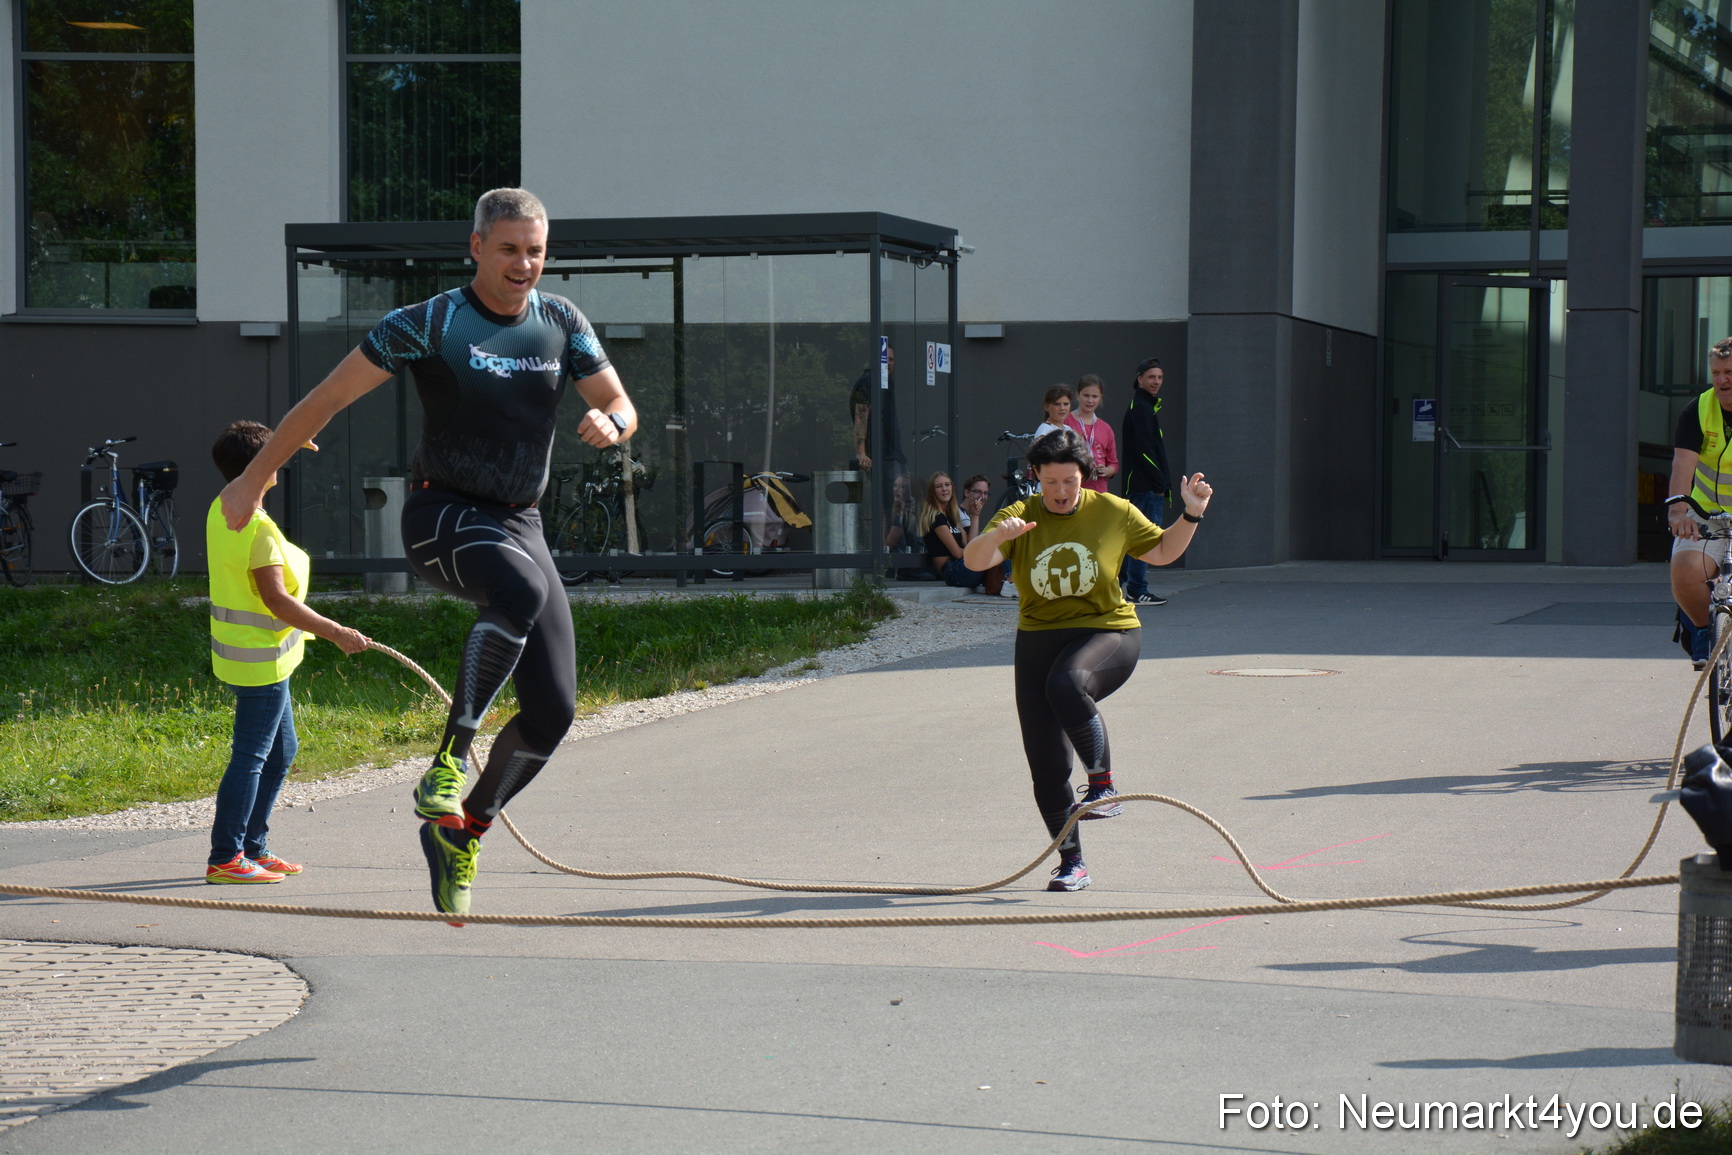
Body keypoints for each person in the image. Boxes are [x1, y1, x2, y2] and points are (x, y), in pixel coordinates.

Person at [217, 188, 637, 922]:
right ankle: (448, 760)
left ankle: (460, 832)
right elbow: (324, 400)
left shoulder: (562, 321)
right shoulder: (430, 322)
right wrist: (253, 480)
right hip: (443, 514)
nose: (524, 265)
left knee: (554, 711)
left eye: (535, 251)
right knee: (516, 592)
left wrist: (613, 420)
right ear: (475, 247)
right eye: (508, 249)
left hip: (521, 522)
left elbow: (620, 401)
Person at [963, 427, 1211, 892]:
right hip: (1038, 639)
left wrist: (1191, 513)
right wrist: (998, 533)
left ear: (1086, 477)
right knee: (1047, 767)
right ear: (1036, 476)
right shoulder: (1020, 513)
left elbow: (1161, 550)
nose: (1060, 492)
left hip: (1108, 632)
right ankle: (1072, 863)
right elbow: (975, 562)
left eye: (1070, 482)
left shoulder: (1112, 511)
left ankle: (1102, 784)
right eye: (1051, 482)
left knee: (1066, 685)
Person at [206, 420, 370, 884]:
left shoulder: (223, 506)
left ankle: (252, 847)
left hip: (251, 654)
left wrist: (287, 441)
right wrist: (338, 631)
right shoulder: (256, 529)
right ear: (264, 466)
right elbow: (278, 601)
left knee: (281, 753)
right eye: (275, 458)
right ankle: (226, 857)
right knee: (253, 758)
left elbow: (251, 470)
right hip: (260, 661)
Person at [1670, 337, 1732, 668]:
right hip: (1706, 514)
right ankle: (1702, 630)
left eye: (1730, 371)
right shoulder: (1697, 410)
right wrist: (1678, 510)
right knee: (1685, 570)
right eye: (1717, 372)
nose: (1723, 380)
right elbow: (1683, 463)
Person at [1119, 357, 1174, 606]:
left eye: (1160, 377)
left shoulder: (1145, 407)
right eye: (1151, 377)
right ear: (1139, 379)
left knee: (1135, 539)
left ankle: (1122, 584)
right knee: (1145, 539)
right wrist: (1160, 482)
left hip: (1146, 486)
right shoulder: (1140, 408)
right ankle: (1137, 589)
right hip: (1144, 487)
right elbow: (1144, 451)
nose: (1156, 382)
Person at [919, 472, 990, 589]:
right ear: (933, 492)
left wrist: (976, 515)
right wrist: (977, 552)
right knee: (994, 545)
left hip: (963, 566)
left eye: (947, 485)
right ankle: (1010, 580)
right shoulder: (936, 517)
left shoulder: (952, 516)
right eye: (939, 486)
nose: (944, 489)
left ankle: (1010, 581)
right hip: (953, 571)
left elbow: (969, 544)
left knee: (1001, 545)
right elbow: (957, 553)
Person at [1066, 374, 1119, 494]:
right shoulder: (1066, 421)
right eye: (1086, 395)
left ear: (1100, 398)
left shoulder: (1106, 428)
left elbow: (1113, 464)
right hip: (1073, 489)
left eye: (1094, 396)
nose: (1090, 400)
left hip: (1098, 490)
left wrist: (1106, 470)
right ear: (1077, 395)